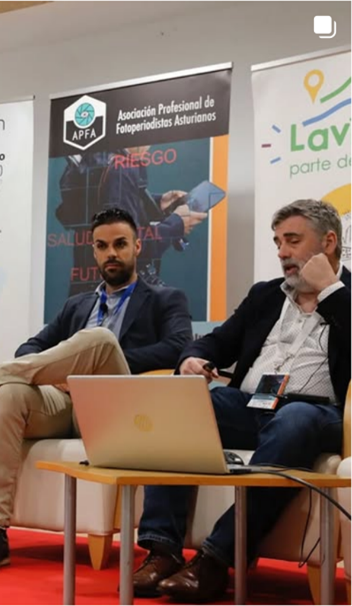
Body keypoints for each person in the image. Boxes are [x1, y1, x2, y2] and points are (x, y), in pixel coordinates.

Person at [0, 208, 193, 572]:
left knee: (100, 340)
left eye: (120, 244)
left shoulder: (166, 298)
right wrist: (58, 371)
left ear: (137, 246)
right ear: (93, 251)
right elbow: (30, 348)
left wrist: (89, 362)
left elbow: (178, 347)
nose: (111, 253)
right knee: (11, 393)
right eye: (102, 246)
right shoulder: (78, 304)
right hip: (65, 403)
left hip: (116, 405)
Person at [131, 199, 350, 602]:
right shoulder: (266, 295)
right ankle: (162, 549)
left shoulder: (347, 297)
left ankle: (217, 559)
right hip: (251, 404)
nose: (282, 252)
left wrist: (332, 292)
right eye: (277, 242)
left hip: (317, 413)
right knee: (178, 408)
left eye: (293, 240)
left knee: (294, 420)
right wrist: (192, 358)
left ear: (329, 242)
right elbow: (216, 341)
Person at [56, 147, 206, 295]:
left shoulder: (93, 161)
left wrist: (159, 201)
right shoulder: (122, 169)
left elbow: (105, 208)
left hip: (89, 293)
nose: (149, 147)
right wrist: (176, 225)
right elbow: (130, 247)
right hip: (120, 295)